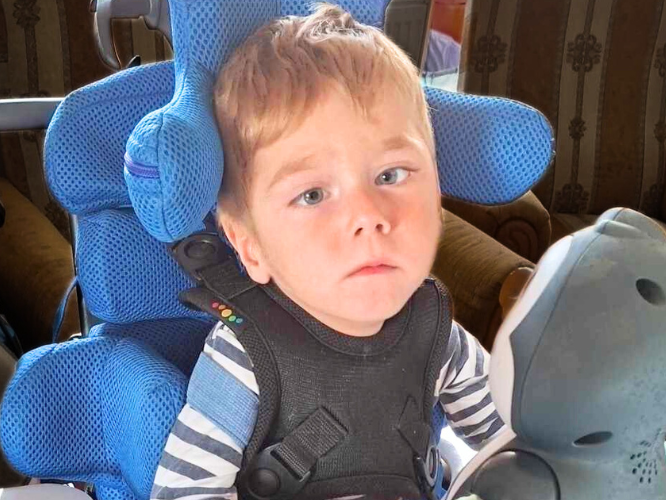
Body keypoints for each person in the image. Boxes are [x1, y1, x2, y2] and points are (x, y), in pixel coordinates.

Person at [150, 4, 505, 499]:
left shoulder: (440, 336)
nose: (368, 214)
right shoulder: (244, 359)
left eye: (390, 174)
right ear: (250, 246)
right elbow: (183, 493)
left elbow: (519, 448)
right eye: (313, 194)